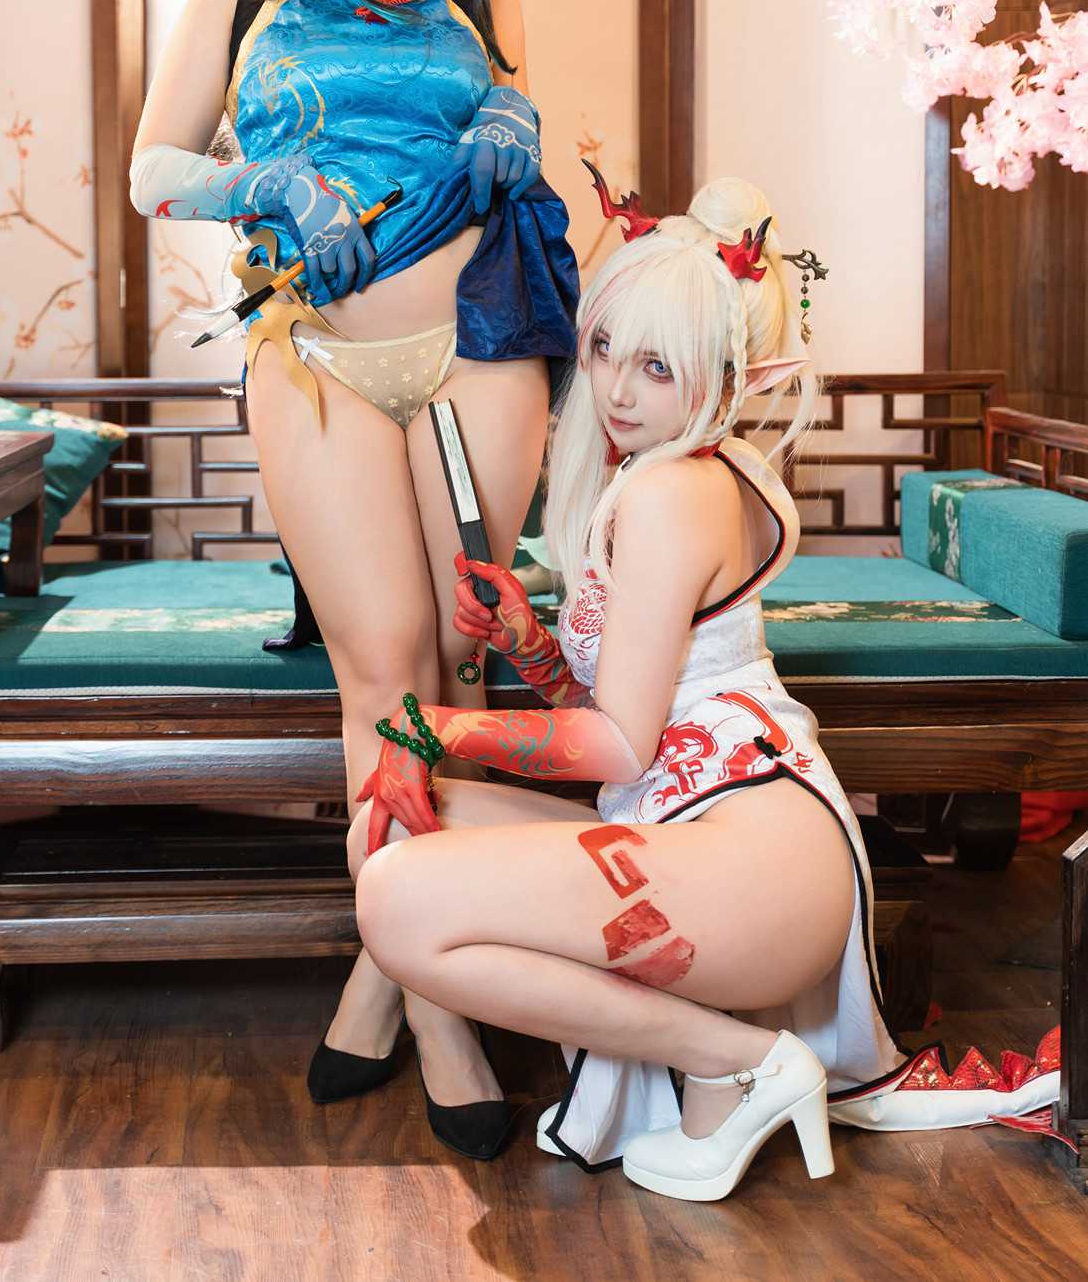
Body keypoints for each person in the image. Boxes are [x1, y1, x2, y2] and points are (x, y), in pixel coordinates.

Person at [128, 0, 579, 1157]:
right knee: (382, 669)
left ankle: (389, 973)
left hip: (481, 352)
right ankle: (442, 1002)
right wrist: (260, 182)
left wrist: (515, 126)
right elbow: (150, 169)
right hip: (313, 356)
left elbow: (523, 158)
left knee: (462, 663)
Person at [350, 174, 913, 1196]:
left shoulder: (669, 493)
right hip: (711, 837)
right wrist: (529, 643)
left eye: (657, 366)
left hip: (756, 867)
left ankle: (734, 1063)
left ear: (726, 378)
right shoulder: (690, 471)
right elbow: (615, 714)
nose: (613, 389)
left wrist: (434, 727)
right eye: (605, 346)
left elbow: (618, 745)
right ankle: (724, 1069)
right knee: (389, 829)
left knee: (393, 895)